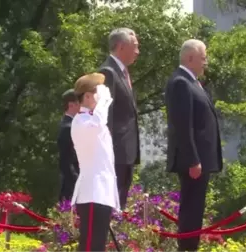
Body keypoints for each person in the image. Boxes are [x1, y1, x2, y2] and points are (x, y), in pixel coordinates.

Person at [165, 39, 223, 252]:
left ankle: (191, 248)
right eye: (203, 57)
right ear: (190, 58)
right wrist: (193, 159)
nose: (205, 62)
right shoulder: (181, 82)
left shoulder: (192, 82)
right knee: (191, 210)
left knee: (195, 210)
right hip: (193, 161)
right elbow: (182, 125)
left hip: (200, 159)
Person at [70, 73, 120, 252]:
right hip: (91, 192)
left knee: (97, 245)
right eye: (98, 90)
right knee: (90, 246)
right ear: (88, 96)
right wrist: (105, 101)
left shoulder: (93, 120)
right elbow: (98, 123)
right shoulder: (81, 121)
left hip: (101, 193)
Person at [99, 27, 140, 209]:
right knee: (113, 200)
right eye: (135, 46)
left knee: (121, 200)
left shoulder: (122, 72)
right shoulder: (109, 72)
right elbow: (105, 115)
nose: (138, 52)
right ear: (121, 46)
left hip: (126, 150)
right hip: (116, 149)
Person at [57, 89, 80, 201]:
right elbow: (66, 162)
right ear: (71, 105)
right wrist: (77, 182)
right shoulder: (68, 127)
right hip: (71, 187)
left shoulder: (72, 125)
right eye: (79, 103)